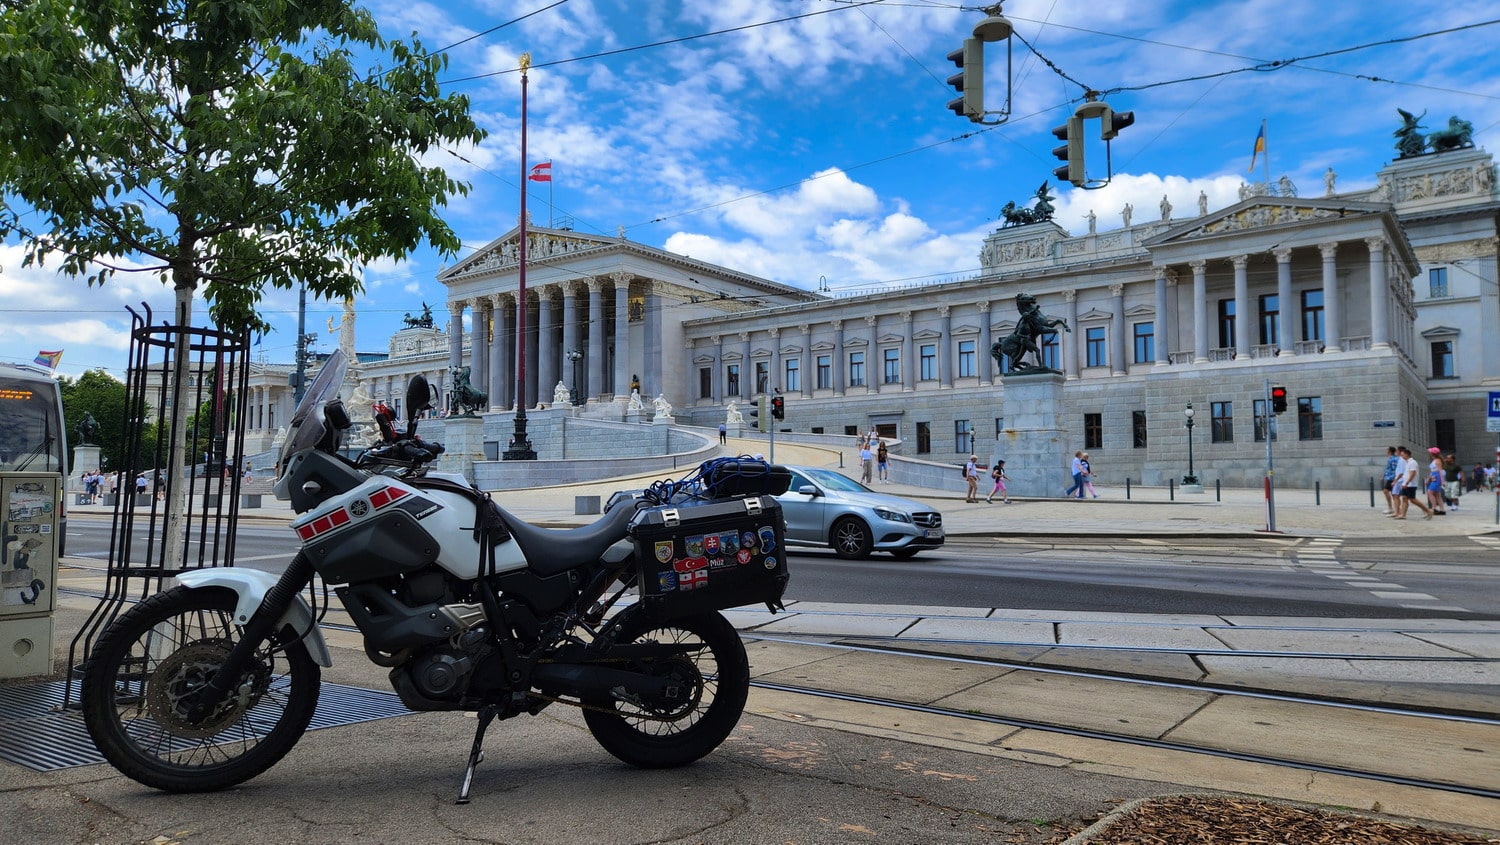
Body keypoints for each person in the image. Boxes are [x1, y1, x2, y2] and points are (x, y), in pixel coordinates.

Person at [1392, 446, 1431, 520]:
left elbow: (1413, 473)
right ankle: (1403, 514)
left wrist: (1407, 482)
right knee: (1404, 498)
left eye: (1403, 454)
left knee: (1412, 499)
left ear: (1407, 454)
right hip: (1406, 483)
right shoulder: (1407, 462)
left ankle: (1428, 510)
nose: (1402, 456)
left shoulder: (1412, 462)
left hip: (1411, 484)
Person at [1425, 447, 1447, 515]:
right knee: (1437, 494)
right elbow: (1432, 471)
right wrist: (1428, 479)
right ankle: (1442, 510)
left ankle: (1434, 508)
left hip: (1437, 477)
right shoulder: (1435, 460)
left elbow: (1440, 471)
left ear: (1432, 453)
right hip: (1435, 476)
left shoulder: (1437, 460)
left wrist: (1443, 481)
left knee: (1430, 492)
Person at [1379, 446, 1400, 515]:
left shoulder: (1393, 459)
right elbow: (1388, 469)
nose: (1386, 452)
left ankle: (1392, 508)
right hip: (1390, 478)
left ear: (1390, 451)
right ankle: (1395, 508)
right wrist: (1384, 476)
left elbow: (1394, 469)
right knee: (1392, 493)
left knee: (1389, 492)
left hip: (1392, 478)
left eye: (1387, 450)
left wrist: (1394, 479)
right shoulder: (1391, 458)